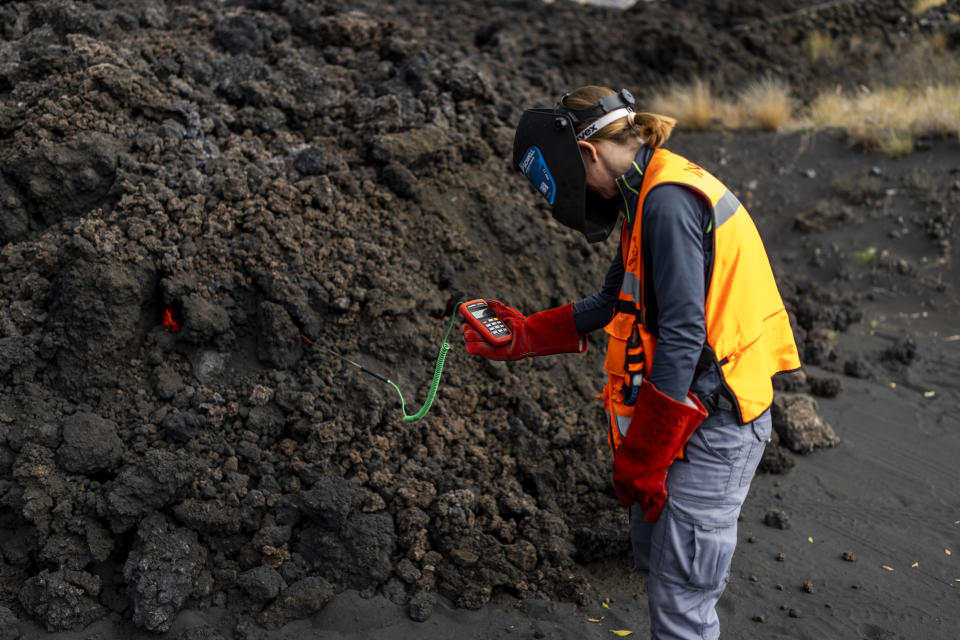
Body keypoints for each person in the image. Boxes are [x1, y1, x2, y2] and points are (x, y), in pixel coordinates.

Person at [462, 86, 801, 640]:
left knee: (681, 602)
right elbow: (612, 299)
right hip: (681, 413)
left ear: (588, 155)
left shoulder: (667, 201)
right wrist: (526, 334)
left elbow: (685, 336)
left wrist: (645, 455)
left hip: (714, 423)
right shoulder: (642, 191)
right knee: (654, 562)